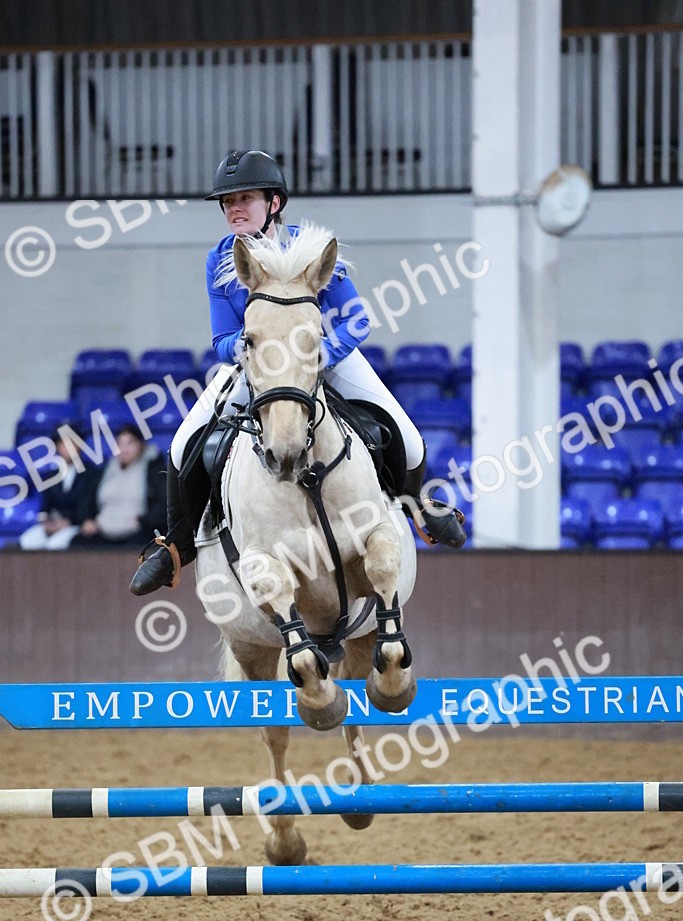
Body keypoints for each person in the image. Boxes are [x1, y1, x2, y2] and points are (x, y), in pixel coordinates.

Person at [130, 149, 464, 595]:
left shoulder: (311, 249)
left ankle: (416, 507)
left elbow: (357, 319)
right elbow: (221, 339)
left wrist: (323, 352)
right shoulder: (218, 260)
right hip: (260, 367)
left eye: (244, 198)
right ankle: (177, 545)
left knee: (403, 430)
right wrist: (250, 352)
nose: (233, 209)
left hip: (327, 357)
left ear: (274, 203)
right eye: (227, 202)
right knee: (181, 444)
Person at [71, 424, 166, 548]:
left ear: (141, 445)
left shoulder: (154, 471)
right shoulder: (105, 470)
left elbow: (163, 506)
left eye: (130, 443)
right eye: (120, 444)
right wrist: (88, 520)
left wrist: (143, 521)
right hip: (103, 530)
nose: (124, 449)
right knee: (78, 543)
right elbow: (88, 500)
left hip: (138, 532)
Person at [20, 429, 91, 550]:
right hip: (52, 524)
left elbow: (87, 506)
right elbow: (45, 506)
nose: (68, 448)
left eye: (72, 443)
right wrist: (46, 521)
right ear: (57, 447)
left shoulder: (91, 475)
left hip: (75, 525)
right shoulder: (51, 476)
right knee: (28, 541)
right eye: (63, 444)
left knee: (55, 545)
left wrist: (69, 522)